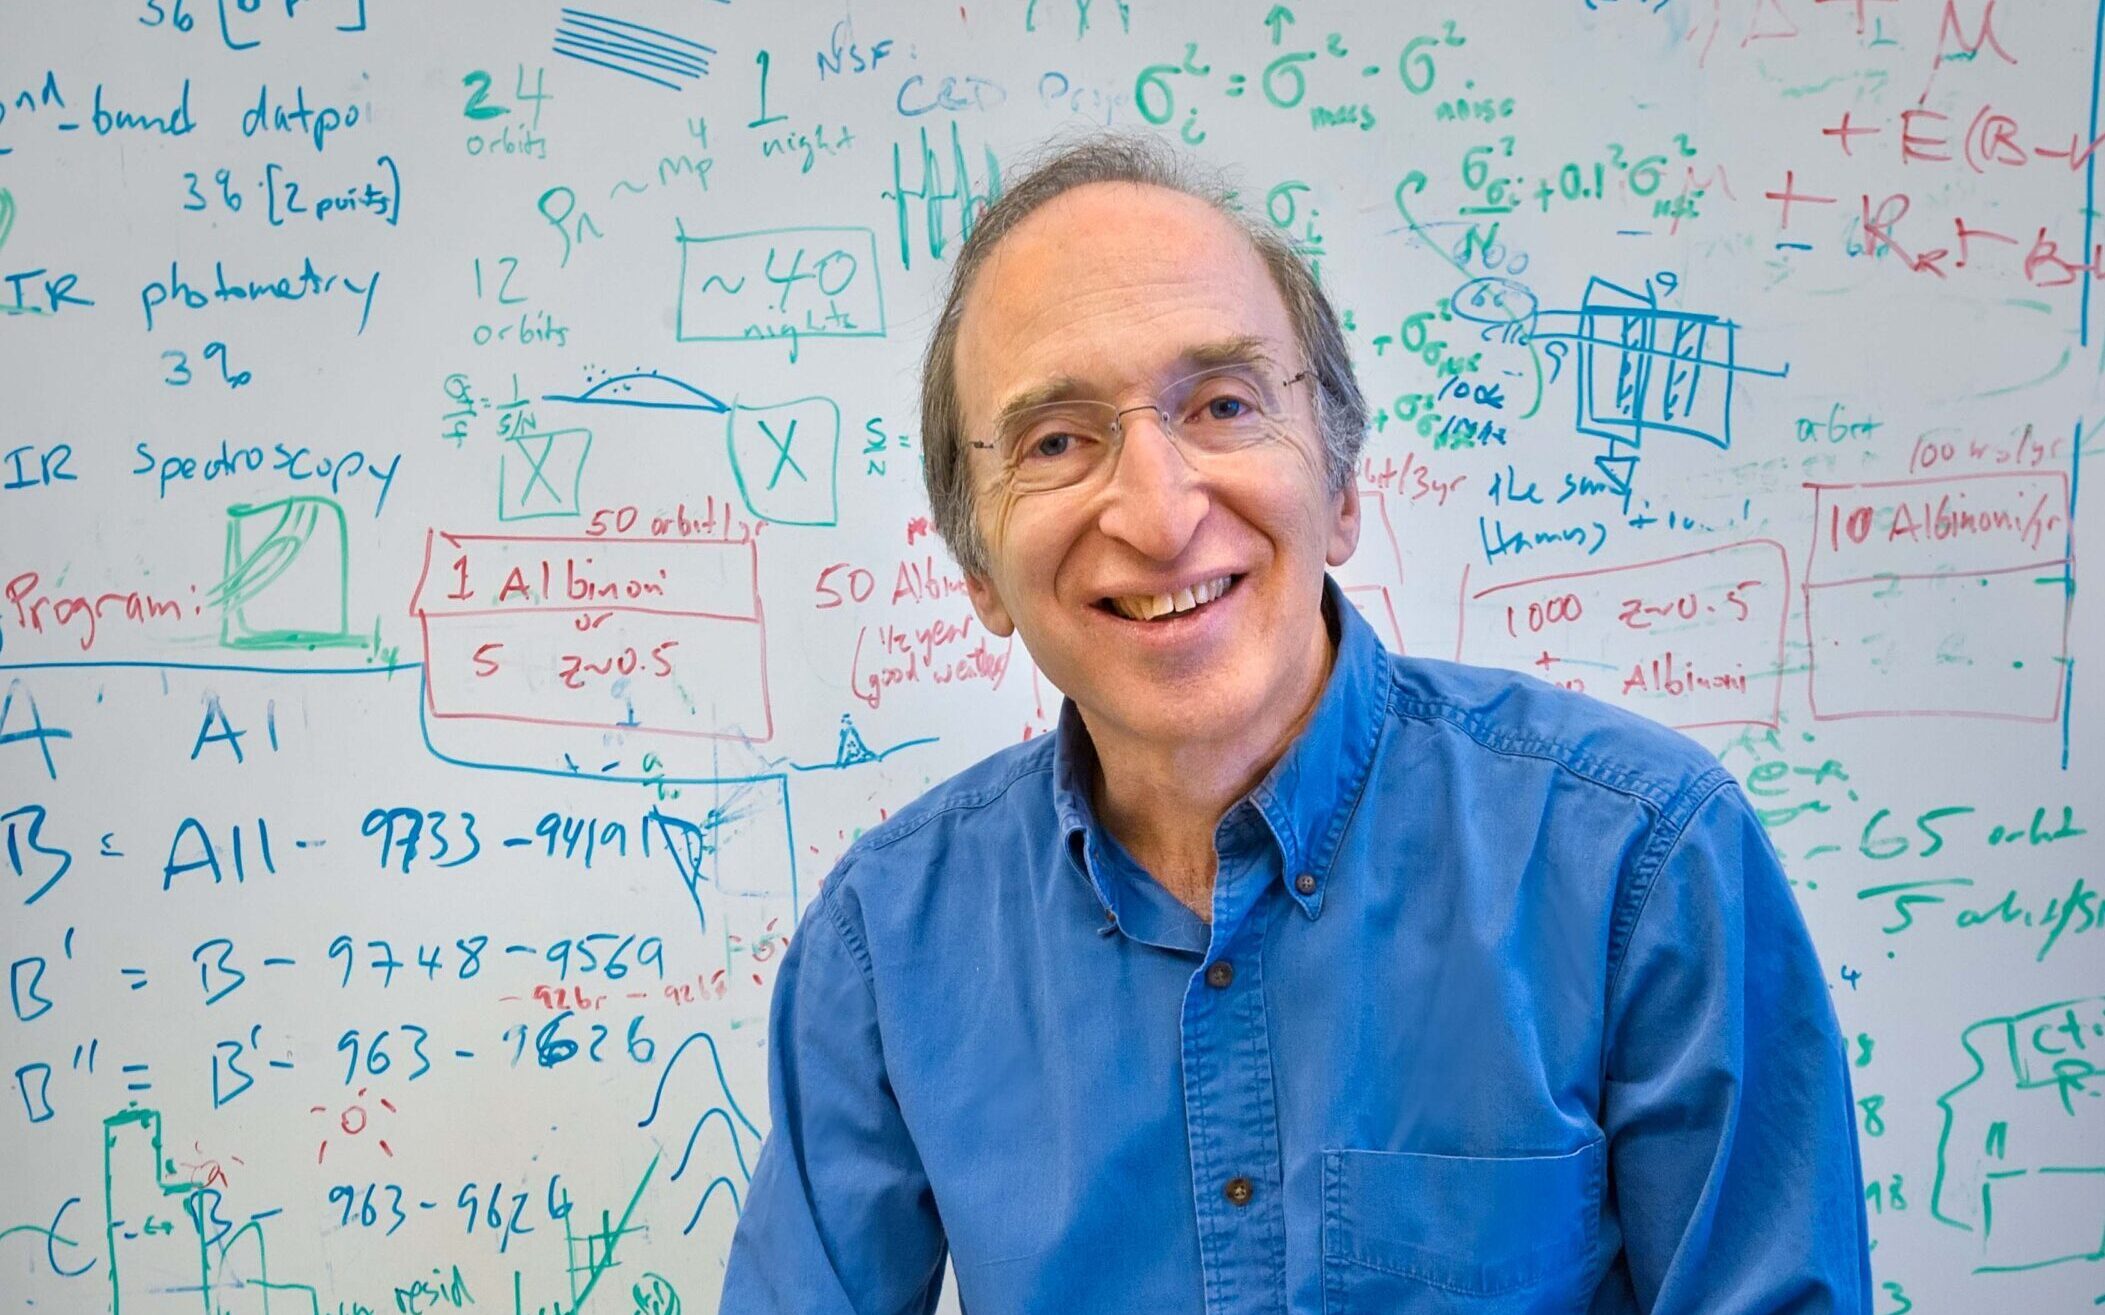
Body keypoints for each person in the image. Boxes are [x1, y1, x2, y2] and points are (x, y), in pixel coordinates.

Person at [719, 134, 1872, 1314]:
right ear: (975, 567)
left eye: (1221, 404)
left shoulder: (1643, 862)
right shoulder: (884, 945)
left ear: (1340, 485)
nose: (1159, 515)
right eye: (1055, 440)